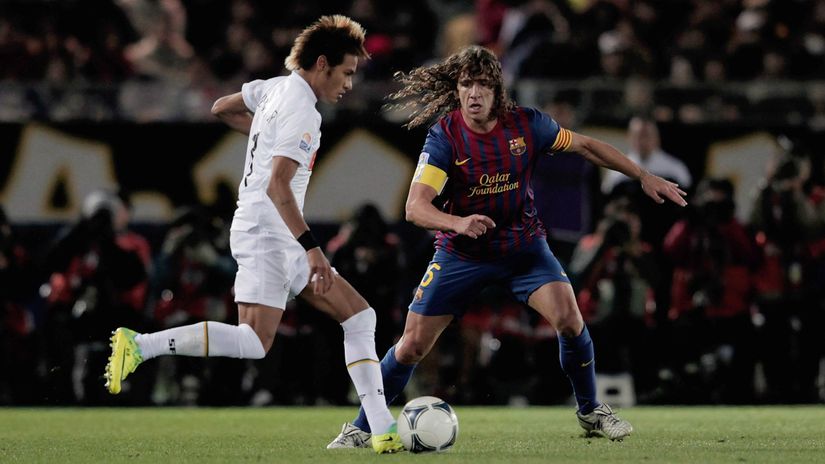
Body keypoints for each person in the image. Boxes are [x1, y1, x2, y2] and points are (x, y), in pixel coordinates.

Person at [329, 45, 687, 447]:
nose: (474, 93)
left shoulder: (528, 126)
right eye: (467, 84)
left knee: (569, 320)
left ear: (498, 92)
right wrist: (457, 223)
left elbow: (586, 145)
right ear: (458, 89)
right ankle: (361, 428)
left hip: (524, 250)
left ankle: (590, 410)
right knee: (411, 346)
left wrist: (642, 175)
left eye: (483, 85)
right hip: (461, 254)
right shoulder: (445, 137)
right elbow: (415, 207)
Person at [104, 15, 403, 454]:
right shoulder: (303, 110)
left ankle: (380, 431)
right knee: (254, 342)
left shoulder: (274, 88)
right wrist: (314, 250)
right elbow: (278, 186)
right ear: (322, 63)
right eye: (346, 73)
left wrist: (263, 135)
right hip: (271, 231)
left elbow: (221, 107)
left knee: (360, 317)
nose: (349, 84)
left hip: (264, 227)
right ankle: (141, 345)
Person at [601, 115, 692, 195]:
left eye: (647, 135)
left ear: (657, 137)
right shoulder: (617, 171)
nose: (643, 141)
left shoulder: (675, 169)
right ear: (629, 137)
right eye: (638, 136)